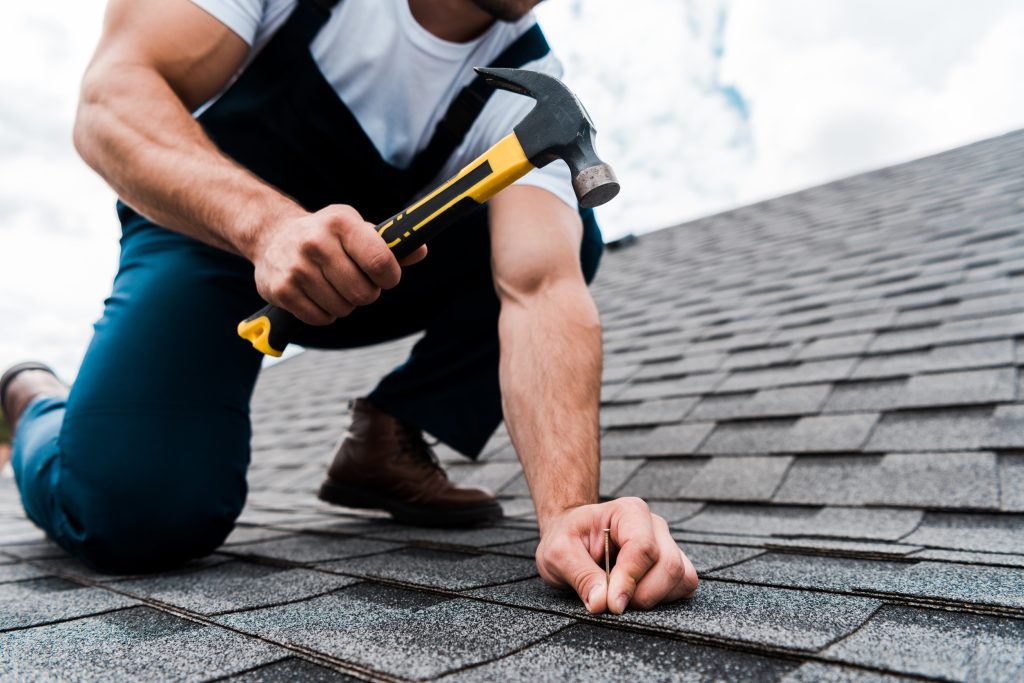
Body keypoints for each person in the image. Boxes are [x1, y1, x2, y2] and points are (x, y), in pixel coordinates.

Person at [0, 0, 697, 614]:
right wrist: (265, 227)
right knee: (134, 511)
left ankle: (389, 439)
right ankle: (37, 400)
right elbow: (111, 99)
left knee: (573, 239)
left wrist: (572, 510)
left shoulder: (526, 90)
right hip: (206, 241)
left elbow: (540, 290)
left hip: (373, 273)